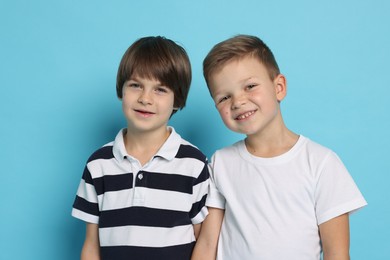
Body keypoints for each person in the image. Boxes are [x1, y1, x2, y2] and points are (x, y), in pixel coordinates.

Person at [191, 35, 367, 260]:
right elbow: (207, 245)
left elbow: (337, 254)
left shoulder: (321, 162)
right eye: (224, 97)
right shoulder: (220, 163)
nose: (237, 102)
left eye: (250, 86)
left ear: (279, 87)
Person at [72, 36, 210, 260]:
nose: (145, 98)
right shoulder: (98, 164)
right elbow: (91, 245)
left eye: (160, 90)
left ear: (177, 99)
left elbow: (203, 242)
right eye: (136, 85)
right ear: (121, 90)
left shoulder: (193, 164)